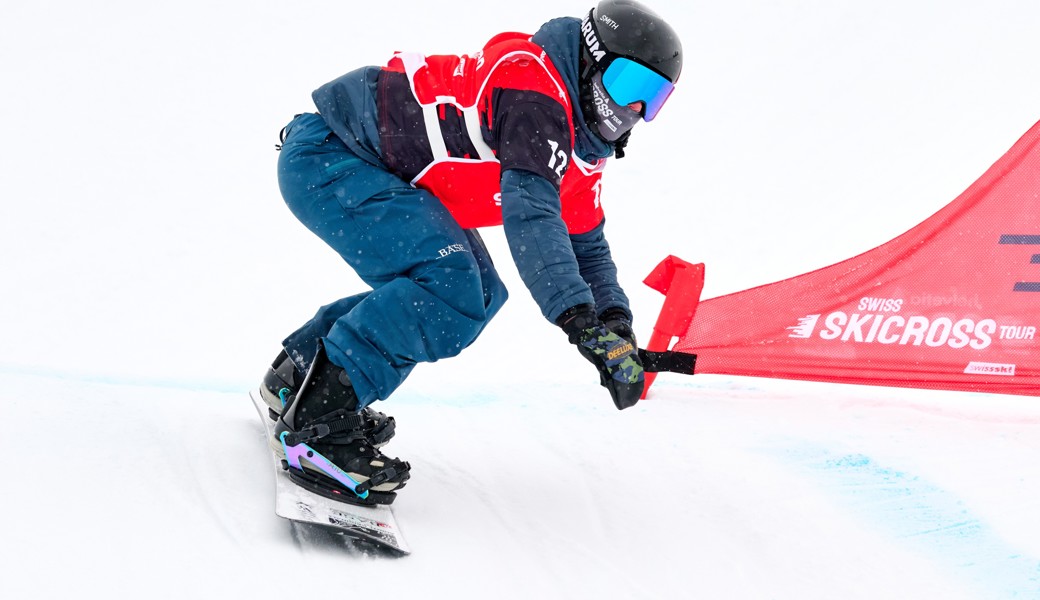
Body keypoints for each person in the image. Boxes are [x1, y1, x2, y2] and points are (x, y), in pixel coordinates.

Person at [260, 0, 683, 506]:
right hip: (332, 156)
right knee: (452, 285)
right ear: (592, 61)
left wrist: (615, 326)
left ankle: (300, 376)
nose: (635, 109)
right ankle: (320, 426)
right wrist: (579, 322)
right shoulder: (536, 93)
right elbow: (532, 218)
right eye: (629, 86)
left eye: (653, 99)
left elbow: (586, 244)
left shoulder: (578, 145)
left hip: (363, 166)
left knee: (479, 291)